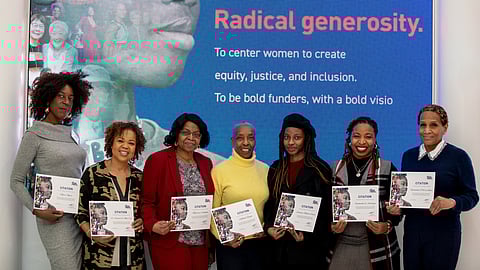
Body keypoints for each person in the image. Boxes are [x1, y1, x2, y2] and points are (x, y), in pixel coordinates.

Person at [10, 71, 91, 270]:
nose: (66, 102)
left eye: (71, 98)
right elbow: (16, 180)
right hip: (54, 217)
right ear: (48, 97)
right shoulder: (34, 134)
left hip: (79, 215)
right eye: (61, 96)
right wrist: (37, 210)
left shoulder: (72, 135)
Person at [388, 104, 479, 270]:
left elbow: (472, 196)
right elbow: (408, 197)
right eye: (423, 125)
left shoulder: (459, 157)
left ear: (445, 127)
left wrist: (451, 202)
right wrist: (399, 209)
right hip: (414, 233)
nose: (427, 130)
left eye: (434, 125)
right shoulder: (408, 156)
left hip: (444, 234)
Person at [143, 113, 215, 270]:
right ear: (176, 134)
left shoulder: (206, 163)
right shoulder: (157, 160)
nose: (191, 138)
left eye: (196, 134)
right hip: (170, 242)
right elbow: (147, 202)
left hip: (200, 243)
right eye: (185, 132)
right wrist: (153, 224)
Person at [328, 116, 401, 270]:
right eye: (356, 136)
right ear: (349, 139)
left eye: (368, 137)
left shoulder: (387, 168)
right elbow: (325, 208)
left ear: (375, 141)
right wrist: (332, 226)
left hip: (376, 246)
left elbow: (398, 211)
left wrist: (387, 225)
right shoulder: (334, 168)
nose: (362, 142)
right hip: (340, 244)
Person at [263, 113, 332, 268]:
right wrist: (268, 228)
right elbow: (270, 205)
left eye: (297, 138)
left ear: (306, 139)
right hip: (279, 250)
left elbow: (327, 212)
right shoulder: (276, 168)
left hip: (309, 252)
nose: (291, 142)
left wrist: (307, 237)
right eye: (286, 137)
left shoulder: (320, 169)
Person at [75, 121, 146, 269]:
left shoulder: (140, 178)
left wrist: (142, 221)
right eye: (120, 141)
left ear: (136, 148)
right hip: (99, 257)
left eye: (131, 143)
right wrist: (90, 233)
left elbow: (147, 210)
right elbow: (79, 211)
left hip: (133, 259)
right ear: (111, 143)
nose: (125, 146)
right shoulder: (93, 173)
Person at [210, 122, 269, 270]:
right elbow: (213, 210)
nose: (246, 142)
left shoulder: (265, 169)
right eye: (240, 138)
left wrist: (266, 227)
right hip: (231, 245)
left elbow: (270, 206)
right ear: (232, 141)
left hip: (259, 244)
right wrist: (224, 238)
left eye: (250, 138)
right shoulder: (219, 171)